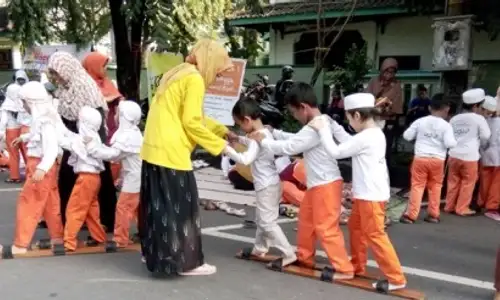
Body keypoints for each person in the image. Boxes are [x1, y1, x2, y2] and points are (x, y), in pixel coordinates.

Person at [140, 39, 233, 276]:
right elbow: (191, 122)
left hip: (154, 147)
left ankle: (155, 254)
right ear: (210, 62)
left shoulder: (177, 72)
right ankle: (187, 263)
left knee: (157, 206)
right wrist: (222, 146)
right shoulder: (195, 79)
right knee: (182, 210)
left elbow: (193, 116)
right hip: (171, 151)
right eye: (219, 71)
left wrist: (223, 131)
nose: (219, 77)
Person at [249, 82, 354, 279]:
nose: (295, 117)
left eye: (294, 113)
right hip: (318, 184)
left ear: (303, 107)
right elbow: (297, 139)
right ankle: (305, 257)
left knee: (326, 228)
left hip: (326, 184)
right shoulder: (322, 121)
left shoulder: (315, 127)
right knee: (306, 221)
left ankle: (344, 269)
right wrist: (275, 133)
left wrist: (262, 140)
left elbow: (289, 148)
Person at [309, 92, 407, 291]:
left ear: (357, 116)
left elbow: (337, 151)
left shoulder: (367, 137)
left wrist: (323, 131)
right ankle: (358, 266)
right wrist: (333, 127)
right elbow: (349, 142)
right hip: (368, 193)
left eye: (348, 118)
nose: (349, 123)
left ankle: (396, 278)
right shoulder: (372, 133)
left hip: (371, 195)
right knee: (356, 228)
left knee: (375, 234)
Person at [47, 51, 117, 233]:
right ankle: (71, 220)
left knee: (100, 177)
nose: (55, 77)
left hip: (90, 136)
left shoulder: (83, 85)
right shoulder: (66, 88)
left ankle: (107, 220)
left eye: (56, 73)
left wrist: (89, 145)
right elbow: (65, 115)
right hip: (74, 136)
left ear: (66, 69)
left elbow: (95, 117)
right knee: (69, 178)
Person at [224, 99, 296, 266]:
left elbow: (246, 158)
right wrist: (238, 139)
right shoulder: (263, 133)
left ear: (247, 120)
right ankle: (260, 248)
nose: (240, 128)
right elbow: (251, 143)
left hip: (266, 185)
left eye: (239, 124)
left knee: (266, 221)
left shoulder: (257, 138)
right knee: (263, 218)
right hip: (272, 183)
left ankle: (288, 253)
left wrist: (226, 149)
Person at [3, 81, 64, 255]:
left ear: (31, 101)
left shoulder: (45, 120)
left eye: (24, 102)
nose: (23, 106)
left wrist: (42, 168)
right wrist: (24, 137)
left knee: (28, 202)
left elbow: (51, 147)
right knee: (50, 203)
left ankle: (21, 244)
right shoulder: (44, 117)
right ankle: (56, 237)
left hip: (40, 165)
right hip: (42, 165)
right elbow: (39, 134)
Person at [87, 100, 143, 247]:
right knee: (137, 208)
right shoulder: (132, 133)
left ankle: (121, 239)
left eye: (118, 113)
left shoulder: (128, 136)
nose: (115, 115)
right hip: (135, 176)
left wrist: (92, 147)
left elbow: (114, 155)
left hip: (134, 178)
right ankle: (143, 233)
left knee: (124, 207)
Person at [400, 94, 456, 224]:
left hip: (420, 158)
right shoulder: (446, 125)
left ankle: (411, 215)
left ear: (430, 107)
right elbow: (450, 144)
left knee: (417, 186)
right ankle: (433, 214)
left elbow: (407, 136)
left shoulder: (420, 121)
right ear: (447, 109)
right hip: (438, 160)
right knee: (436, 187)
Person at [62, 106, 108, 251]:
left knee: (74, 209)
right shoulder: (93, 136)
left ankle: (69, 242)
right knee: (91, 210)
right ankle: (99, 237)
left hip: (86, 178)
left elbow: (68, 142)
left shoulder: (86, 139)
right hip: (94, 178)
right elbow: (69, 136)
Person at [445, 88, 491, 216]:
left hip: (453, 155)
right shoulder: (478, 119)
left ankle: (449, 206)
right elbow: (486, 136)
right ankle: (462, 208)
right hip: (469, 156)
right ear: (476, 105)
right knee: (468, 182)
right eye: (481, 105)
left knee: (453, 181)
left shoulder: (455, 119)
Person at [82, 52, 124, 182]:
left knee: (113, 153)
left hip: (111, 124)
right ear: (93, 66)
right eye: (102, 66)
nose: (105, 69)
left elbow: (118, 97)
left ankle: (111, 181)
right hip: (96, 127)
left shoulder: (107, 82)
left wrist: (120, 100)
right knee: (98, 153)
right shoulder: (85, 84)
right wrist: (107, 99)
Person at [366, 58, 403, 165]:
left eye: (392, 72)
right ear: (382, 70)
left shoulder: (396, 85)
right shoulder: (374, 81)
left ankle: (384, 169)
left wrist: (387, 108)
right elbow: (367, 97)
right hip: (373, 118)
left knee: (385, 146)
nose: (389, 75)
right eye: (386, 71)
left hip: (388, 119)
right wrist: (377, 103)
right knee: (371, 145)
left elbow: (397, 103)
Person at [478, 96, 500, 221]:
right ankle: (492, 207)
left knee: (485, 181)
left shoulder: (484, 120)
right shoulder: (498, 122)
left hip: (485, 155)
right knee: (496, 184)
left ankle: (482, 203)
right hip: (497, 156)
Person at [0, 83, 27, 183]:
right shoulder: (23, 103)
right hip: (23, 130)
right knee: (27, 153)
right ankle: (30, 174)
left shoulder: (6, 106)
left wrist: (1, 132)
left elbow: (3, 121)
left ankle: (14, 176)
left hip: (11, 131)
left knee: (13, 154)